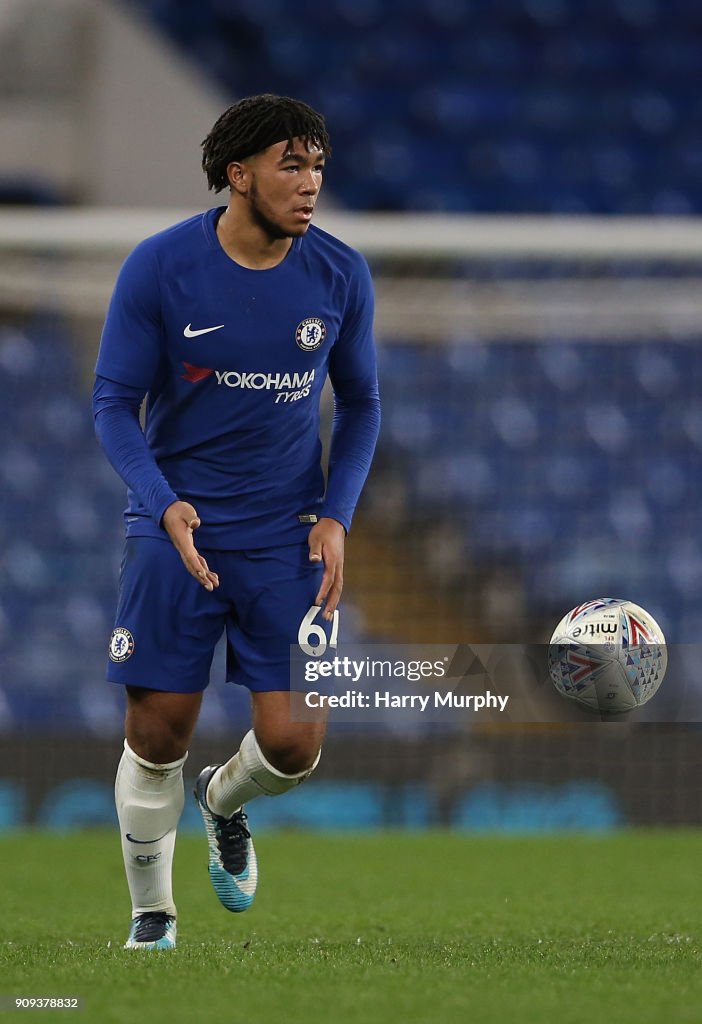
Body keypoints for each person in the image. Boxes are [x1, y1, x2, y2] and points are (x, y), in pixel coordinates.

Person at [93, 94, 381, 950]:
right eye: (291, 164)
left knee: (294, 747)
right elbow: (113, 402)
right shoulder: (160, 268)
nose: (310, 183)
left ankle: (221, 800)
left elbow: (362, 403)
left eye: (319, 165)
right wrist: (160, 499)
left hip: (288, 533)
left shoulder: (339, 273)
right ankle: (153, 916)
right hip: (175, 529)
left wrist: (337, 516)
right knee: (155, 733)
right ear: (238, 174)